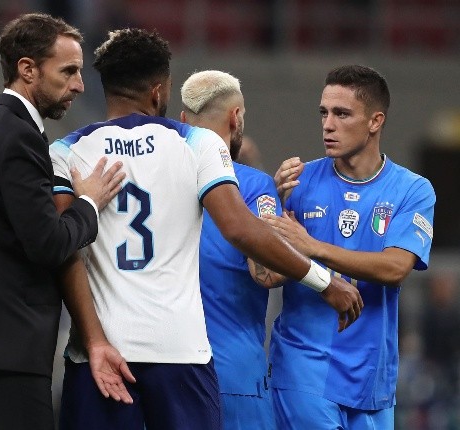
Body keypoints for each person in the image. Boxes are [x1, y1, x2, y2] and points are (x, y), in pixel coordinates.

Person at [49, 28, 363, 430]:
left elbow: (65, 250)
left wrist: (92, 340)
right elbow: (239, 229)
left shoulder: (66, 151)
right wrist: (325, 282)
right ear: (159, 89)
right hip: (180, 353)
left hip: (100, 354)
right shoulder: (198, 143)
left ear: (104, 85)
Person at [0, 13, 133, 430]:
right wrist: (88, 201)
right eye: (68, 71)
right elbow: (49, 244)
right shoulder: (18, 137)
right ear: (27, 69)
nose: (80, 85)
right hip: (7, 353)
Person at [264, 64, 436, 430]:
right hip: (303, 366)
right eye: (323, 113)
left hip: (373, 378)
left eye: (342, 114)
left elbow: (395, 268)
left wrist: (312, 247)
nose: (328, 124)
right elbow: (269, 275)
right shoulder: (298, 181)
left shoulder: (413, 190)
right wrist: (270, 206)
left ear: (375, 121)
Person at [179, 70, 278, 430]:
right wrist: (288, 234)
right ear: (236, 117)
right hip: (234, 377)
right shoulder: (252, 185)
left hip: (165, 374)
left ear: (184, 121)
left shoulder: (158, 180)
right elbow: (268, 274)